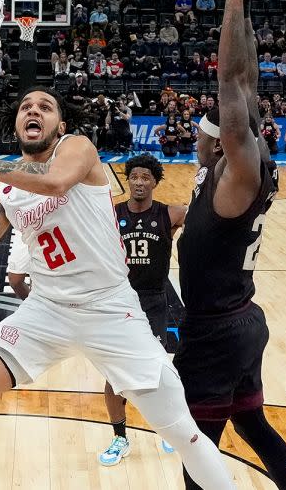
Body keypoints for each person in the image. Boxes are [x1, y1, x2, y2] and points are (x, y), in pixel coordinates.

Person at [0, 86, 237, 490]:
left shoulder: (77, 148)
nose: (34, 110)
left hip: (111, 309)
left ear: (59, 124)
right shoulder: (4, 189)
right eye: (26, 106)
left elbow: (57, 182)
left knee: (183, 433)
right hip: (46, 310)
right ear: (17, 124)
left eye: (45, 107)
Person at [176, 0, 286, 490]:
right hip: (241, 320)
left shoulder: (239, 172)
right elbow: (246, 78)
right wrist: (246, 4)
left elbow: (231, 78)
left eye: (210, 132)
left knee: (195, 442)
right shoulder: (237, 163)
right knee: (251, 420)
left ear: (225, 137)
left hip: (217, 330)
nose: (199, 141)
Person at [100, 154, 188, 466]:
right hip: (119, 301)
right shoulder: (112, 213)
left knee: (156, 370)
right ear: (128, 179)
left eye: (145, 177)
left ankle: (167, 430)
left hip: (153, 300)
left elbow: (210, 222)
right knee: (115, 375)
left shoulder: (171, 213)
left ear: (155, 181)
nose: (139, 182)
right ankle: (119, 437)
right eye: (134, 177)